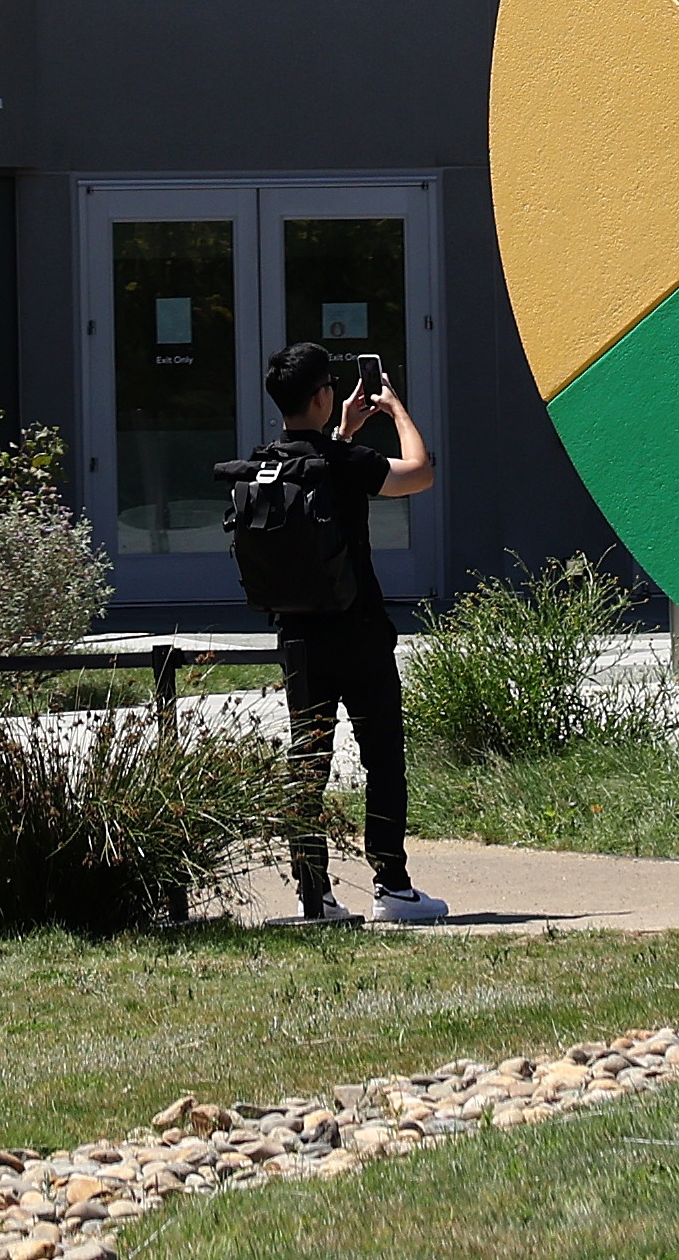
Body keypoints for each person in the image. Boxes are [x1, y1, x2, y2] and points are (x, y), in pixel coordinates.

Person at [252, 342, 447, 926]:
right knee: (383, 759)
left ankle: (316, 894)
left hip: (298, 640)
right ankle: (392, 885)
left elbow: (319, 459)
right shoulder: (347, 463)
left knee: (306, 761)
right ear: (321, 395)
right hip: (359, 634)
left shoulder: (269, 462)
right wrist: (396, 412)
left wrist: (341, 429)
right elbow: (420, 473)